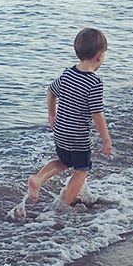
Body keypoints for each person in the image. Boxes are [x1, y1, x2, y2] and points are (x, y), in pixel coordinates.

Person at [27, 28, 112, 206]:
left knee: (63, 161)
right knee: (82, 169)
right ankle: (66, 203)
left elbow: (51, 91)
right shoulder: (94, 83)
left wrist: (52, 114)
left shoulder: (68, 74)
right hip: (78, 136)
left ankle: (38, 178)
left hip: (60, 131)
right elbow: (97, 114)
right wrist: (106, 140)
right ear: (99, 56)